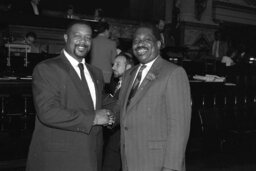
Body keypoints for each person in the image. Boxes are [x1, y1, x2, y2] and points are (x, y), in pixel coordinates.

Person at [26, 21, 115, 171]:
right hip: (61, 158)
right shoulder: (47, 68)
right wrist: (93, 117)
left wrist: (116, 112)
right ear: (66, 38)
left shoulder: (96, 72)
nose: (83, 41)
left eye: (87, 37)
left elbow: (101, 100)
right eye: (77, 36)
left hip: (92, 154)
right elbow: (48, 112)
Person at [116, 23, 191, 171]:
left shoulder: (173, 73)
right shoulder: (129, 74)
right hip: (129, 160)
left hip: (156, 162)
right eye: (136, 41)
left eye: (146, 40)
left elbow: (179, 127)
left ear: (158, 44)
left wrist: (171, 167)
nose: (140, 44)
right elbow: (122, 111)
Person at [102, 52, 134, 171]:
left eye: (117, 64)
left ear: (128, 67)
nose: (113, 67)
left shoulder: (131, 87)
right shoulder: (116, 84)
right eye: (113, 64)